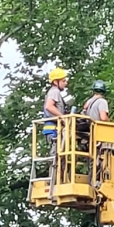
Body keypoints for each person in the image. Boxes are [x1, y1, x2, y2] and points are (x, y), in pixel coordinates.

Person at [43, 67, 69, 195]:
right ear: (55, 82)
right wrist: (62, 118)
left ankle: (57, 180)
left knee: (59, 156)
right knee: (56, 156)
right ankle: (54, 181)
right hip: (54, 130)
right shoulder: (54, 92)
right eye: (63, 80)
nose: (66, 82)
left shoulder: (55, 92)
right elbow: (49, 106)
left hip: (55, 129)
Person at [82, 80, 112, 184]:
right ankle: (98, 181)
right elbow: (103, 118)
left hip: (89, 135)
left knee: (92, 159)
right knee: (100, 159)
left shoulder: (88, 102)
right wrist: (112, 123)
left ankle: (92, 181)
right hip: (99, 134)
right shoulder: (102, 102)